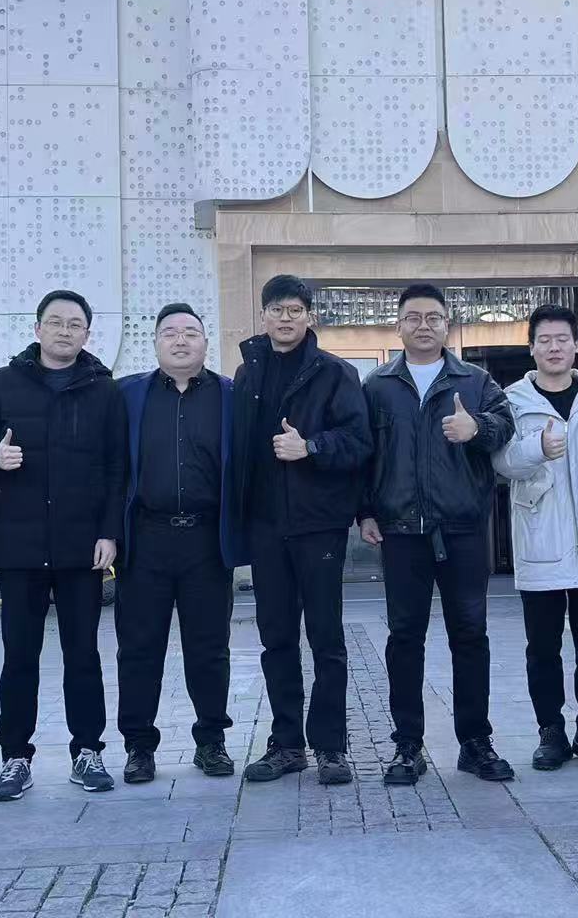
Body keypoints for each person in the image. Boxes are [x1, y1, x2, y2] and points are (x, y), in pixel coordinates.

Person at [0, 290, 127, 801]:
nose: (64, 331)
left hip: (82, 547)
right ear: (37, 329)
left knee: (84, 654)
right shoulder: (1, 384)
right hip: (21, 545)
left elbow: (117, 468)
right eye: (55, 322)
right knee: (19, 656)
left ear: (87, 334)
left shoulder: (104, 391)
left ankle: (88, 751)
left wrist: (109, 532)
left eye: (75, 324)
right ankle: (15, 756)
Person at [361, 284, 515, 784]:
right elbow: (365, 456)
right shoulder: (377, 385)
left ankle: (475, 741)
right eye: (413, 317)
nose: (423, 325)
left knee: (469, 635)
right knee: (404, 637)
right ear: (398, 325)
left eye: (433, 317)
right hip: (401, 531)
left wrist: (478, 430)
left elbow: (504, 426)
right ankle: (408, 745)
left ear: (448, 324)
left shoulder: (475, 380)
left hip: (462, 529)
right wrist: (365, 512)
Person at [232, 275, 372, 785]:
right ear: (263, 315)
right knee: (276, 639)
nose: (285, 318)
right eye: (277, 309)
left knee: (326, 639)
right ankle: (287, 744)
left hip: (318, 526)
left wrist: (310, 447)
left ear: (310, 316)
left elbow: (359, 443)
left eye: (295, 310)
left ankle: (331, 747)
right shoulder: (248, 372)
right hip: (265, 526)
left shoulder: (336, 373)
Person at [493, 304, 578, 772]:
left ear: (576, 346)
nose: (554, 348)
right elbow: (501, 463)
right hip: (541, 543)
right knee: (543, 650)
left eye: (562, 340)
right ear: (531, 348)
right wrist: (537, 448)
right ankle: (550, 732)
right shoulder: (511, 402)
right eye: (545, 340)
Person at [115, 303, 244, 784]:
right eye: (169, 332)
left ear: (206, 342)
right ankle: (138, 746)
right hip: (145, 539)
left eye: (191, 331)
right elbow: (110, 468)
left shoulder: (232, 396)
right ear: (155, 342)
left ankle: (211, 741)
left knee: (209, 648)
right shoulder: (128, 395)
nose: (180, 339)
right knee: (138, 648)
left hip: (207, 540)